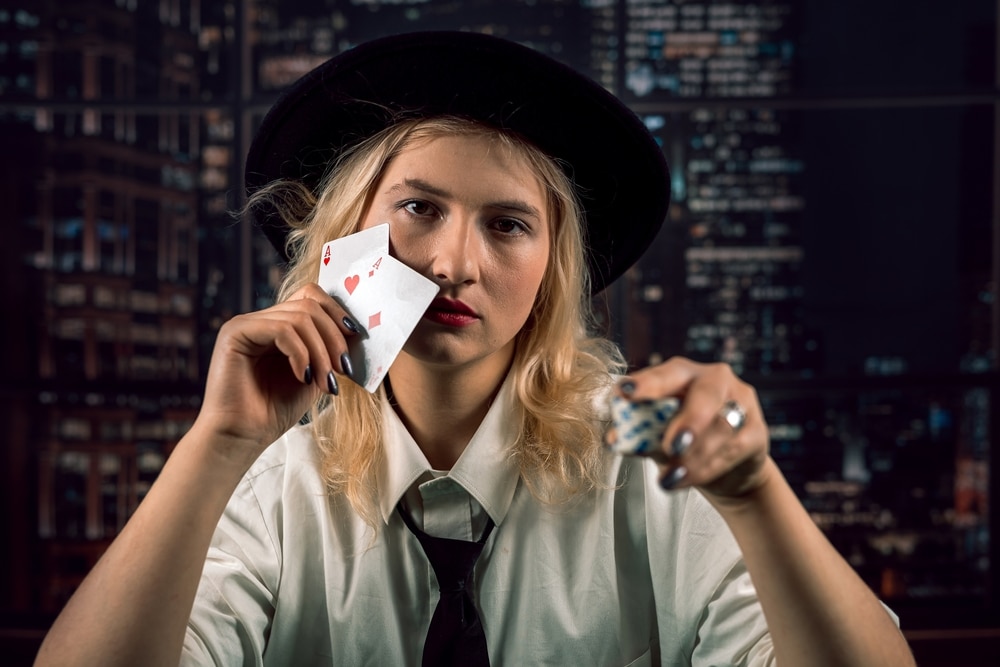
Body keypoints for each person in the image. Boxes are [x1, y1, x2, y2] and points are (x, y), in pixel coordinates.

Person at [36, 31, 914, 667]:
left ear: (551, 273)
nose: (454, 264)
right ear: (348, 234)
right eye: (419, 208)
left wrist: (754, 494)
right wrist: (217, 444)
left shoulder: (648, 469)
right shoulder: (271, 487)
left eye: (507, 224)